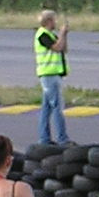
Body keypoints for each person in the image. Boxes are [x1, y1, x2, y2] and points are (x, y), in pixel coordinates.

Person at [32, 9, 69, 147]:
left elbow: (64, 48)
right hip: (49, 74)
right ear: (48, 21)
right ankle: (62, 138)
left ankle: (44, 138)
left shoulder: (50, 35)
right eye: (54, 19)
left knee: (46, 108)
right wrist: (62, 34)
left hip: (54, 73)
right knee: (57, 107)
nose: (56, 22)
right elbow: (57, 48)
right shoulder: (42, 35)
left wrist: (64, 36)